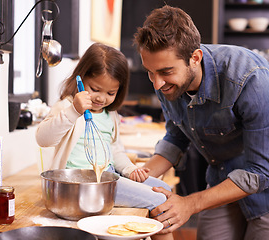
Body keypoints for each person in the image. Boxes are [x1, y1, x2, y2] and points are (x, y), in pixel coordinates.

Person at [133, 5, 269, 240]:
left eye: (165, 72)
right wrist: (133, 179)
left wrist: (189, 204)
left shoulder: (250, 78)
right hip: (224, 173)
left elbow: (260, 172)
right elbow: (176, 136)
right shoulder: (165, 80)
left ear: (194, 58)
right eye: (150, 72)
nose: (156, 84)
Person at [36, 42, 173, 240]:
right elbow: (43, 138)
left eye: (111, 93)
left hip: (108, 178)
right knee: (160, 201)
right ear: (80, 79)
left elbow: (114, 149)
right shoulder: (67, 107)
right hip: (80, 186)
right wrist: (74, 111)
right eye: (95, 89)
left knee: (166, 189)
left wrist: (129, 170)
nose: (101, 98)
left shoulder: (110, 114)